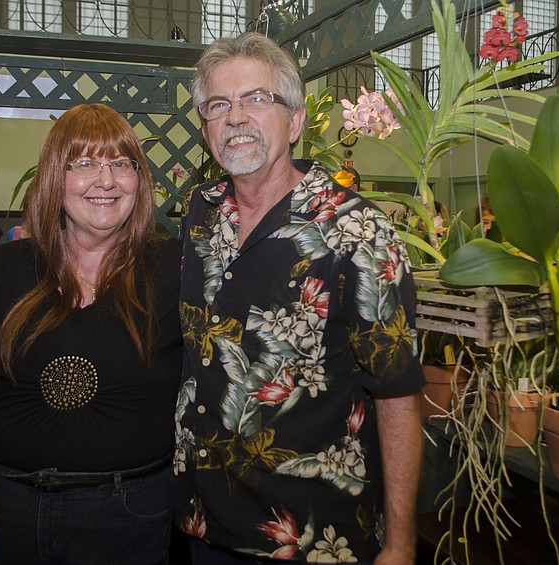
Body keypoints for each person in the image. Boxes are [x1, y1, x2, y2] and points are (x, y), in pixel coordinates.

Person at [174, 33, 424, 564]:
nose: (236, 117)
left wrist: (401, 544)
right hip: (204, 527)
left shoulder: (358, 232)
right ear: (205, 128)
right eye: (219, 105)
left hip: (314, 537)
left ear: (297, 120)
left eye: (257, 99)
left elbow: (397, 393)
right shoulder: (201, 213)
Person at [0, 103, 182, 565]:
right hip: (0, 508)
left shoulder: (175, 271)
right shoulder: (7, 271)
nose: (106, 180)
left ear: (140, 180)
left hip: (126, 519)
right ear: (55, 179)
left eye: (121, 163)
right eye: (84, 163)